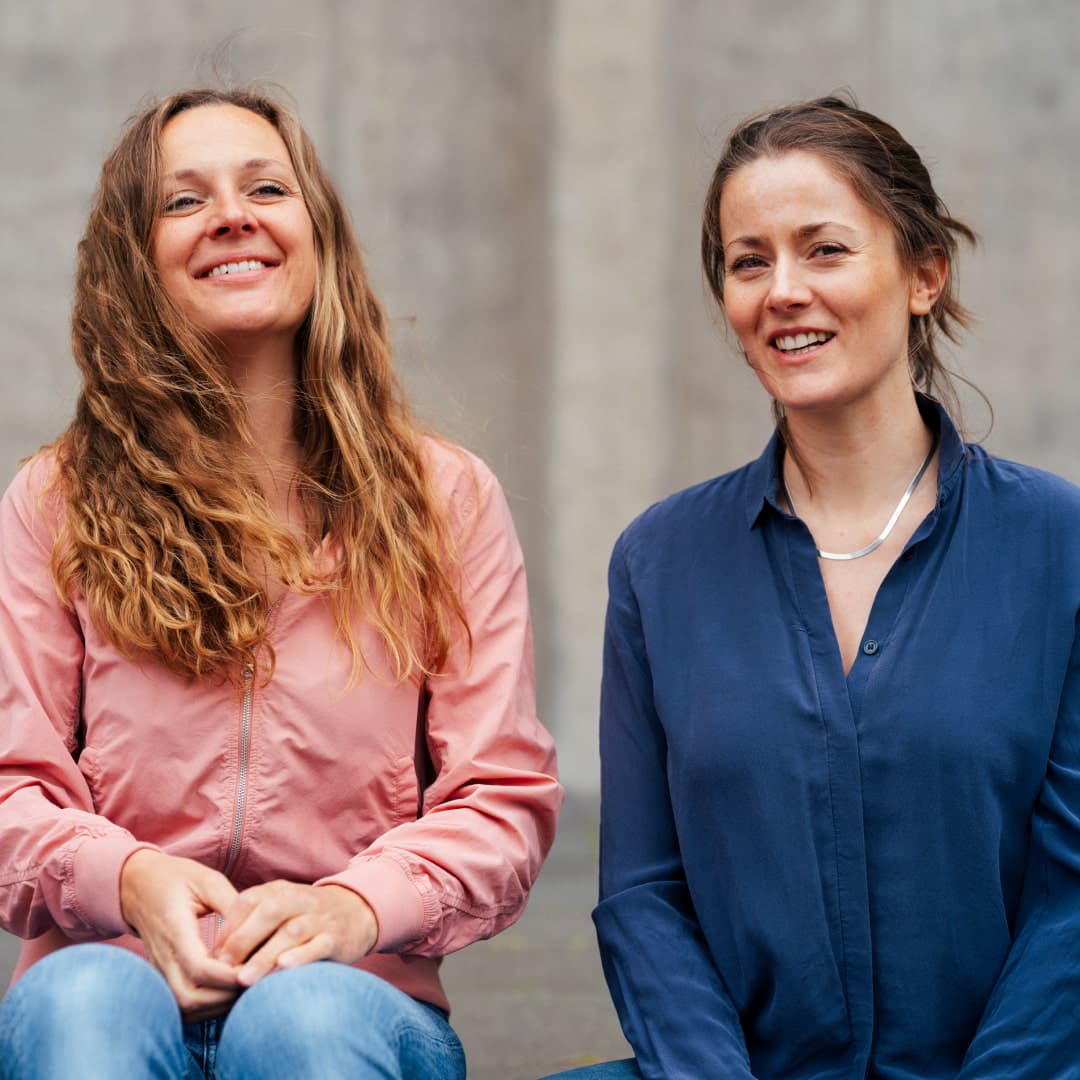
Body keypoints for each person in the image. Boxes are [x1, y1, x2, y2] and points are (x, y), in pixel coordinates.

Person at [0, 87, 561, 1080]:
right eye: (184, 200)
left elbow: (500, 800)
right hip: (108, 992)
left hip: (355, 1002)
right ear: (134, 264)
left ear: (321, 237)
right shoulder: (54, 502)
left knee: (299, 1024)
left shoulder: (446, 501)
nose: (233, 214)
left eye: (267, 186)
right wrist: (125, 880)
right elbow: (12, 788)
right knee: (86, 996)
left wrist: (353, 908)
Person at [542, 96, 1080, 1078]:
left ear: (924, 274)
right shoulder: (659, 564)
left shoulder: (1059, 543)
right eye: (750, 262)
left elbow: (1074, 896)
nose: (783, 289)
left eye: (824, 250)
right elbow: (644, 895)